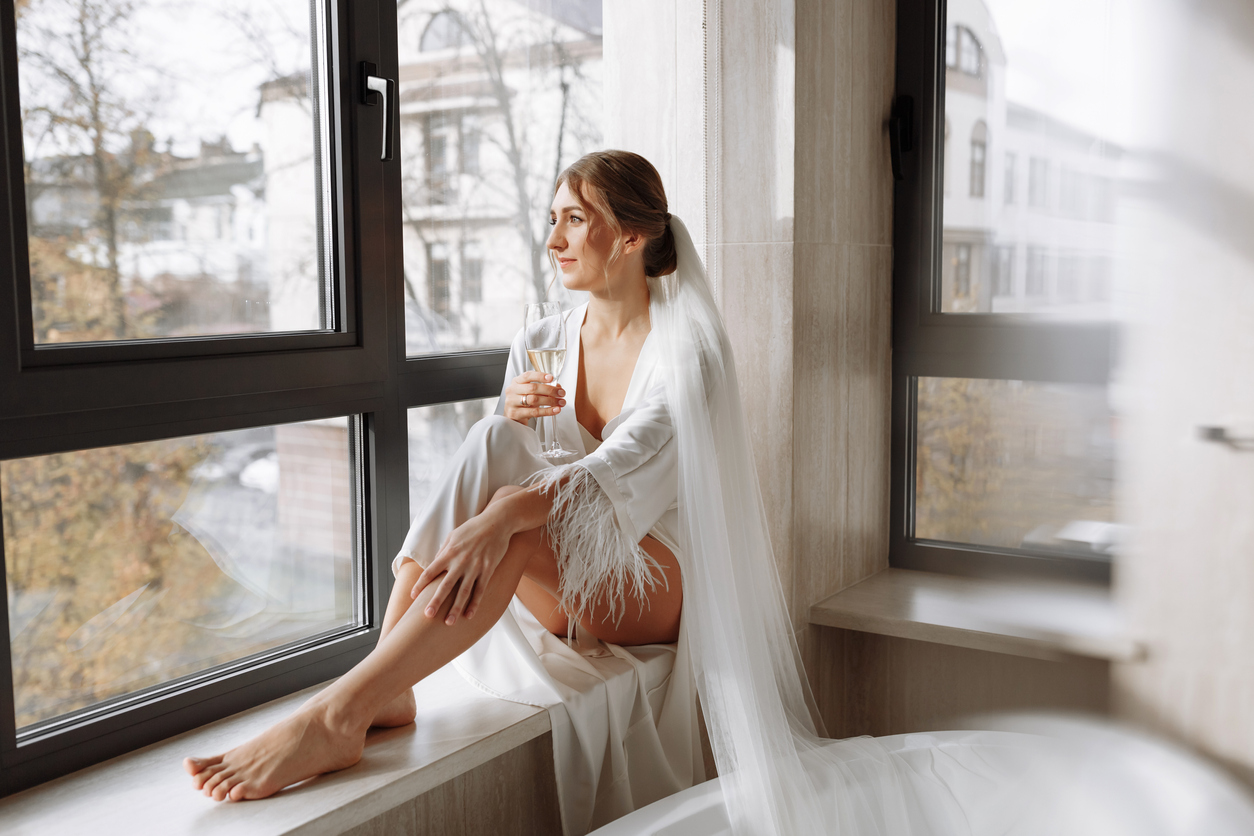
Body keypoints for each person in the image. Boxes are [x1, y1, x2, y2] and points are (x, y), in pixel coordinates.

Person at [183, 152, 700, 826]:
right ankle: (383, 687)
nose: (553, 241)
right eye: (552, 220)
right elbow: (518, 460)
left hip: (648, 581)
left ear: (633, 236)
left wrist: (509, 509)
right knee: (492, 439)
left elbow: (623, 468)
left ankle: (342, 709)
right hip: (555, 570)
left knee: (509, 523)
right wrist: (510, 422)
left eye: (576, 220)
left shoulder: (684, 352)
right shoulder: (543, 340)